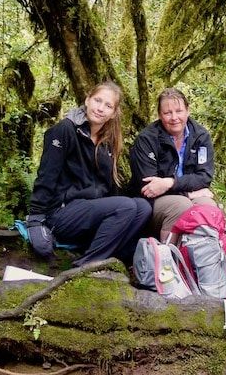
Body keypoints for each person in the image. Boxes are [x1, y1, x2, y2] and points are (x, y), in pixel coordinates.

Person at [27, 81, 152, 266]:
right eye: (97, 101)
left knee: (143, 208)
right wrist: (35, 219)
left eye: (108, 106)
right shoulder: (64, 130)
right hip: (62, 213)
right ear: (87, 100)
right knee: (126, 206)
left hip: (91, 214)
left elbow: (108, 188)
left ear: (113, 114)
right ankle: (86, 265)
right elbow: (46, 176)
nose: (101, 108)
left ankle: (111, 256)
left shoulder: (106, 143)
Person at [129, 87, 216, 242]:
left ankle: (203, 261)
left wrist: (170, 183)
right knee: (180, 206)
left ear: (187, 111)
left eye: (179, 111)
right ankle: (167, 260)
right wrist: (189, 194)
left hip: (181, 194)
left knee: (208, 206)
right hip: (150, 204)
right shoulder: (147, 139)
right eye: (167, 113)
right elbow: (149, 188)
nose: (174, 117)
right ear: (159, 115)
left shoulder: (200, 136)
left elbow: (204, 177)